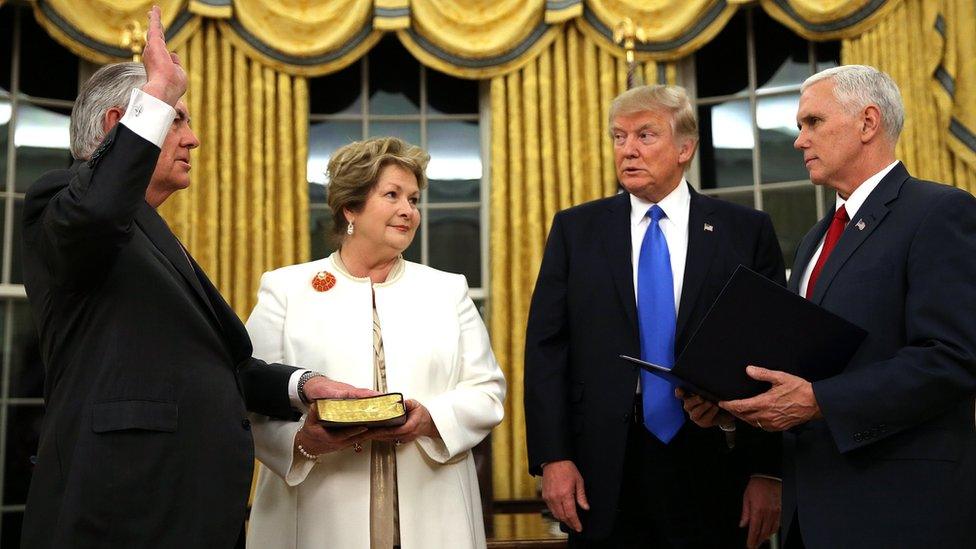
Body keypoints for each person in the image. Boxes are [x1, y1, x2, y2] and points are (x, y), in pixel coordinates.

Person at [20, 8, 368, 548]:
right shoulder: (59, 201)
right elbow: (96, 211)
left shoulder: (148, 231)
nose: (194, 138)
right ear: (120, 125)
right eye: (176, 119)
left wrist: (305, 387)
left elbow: (220, 368)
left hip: (188, 512)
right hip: (120, 512)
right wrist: (158, 89)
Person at [688, 65, 976, 548]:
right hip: (811, 511)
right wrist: (734, 407)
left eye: (813, 123)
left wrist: (821, 402)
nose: (799, 141)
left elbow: (955, 357)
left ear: (867, 123)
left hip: (902, 510)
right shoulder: (816, 239)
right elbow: (805, 369)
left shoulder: (939, 212)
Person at [524, 84, 785, 548]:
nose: (628, 150)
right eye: (618, 137)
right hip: (600, 462)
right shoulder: (576, 229)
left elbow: (772, 354)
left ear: (685, 148)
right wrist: (553, 458)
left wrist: (768, 470)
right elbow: (547, 349)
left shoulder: (745, 230)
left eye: (645, 136)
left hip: (715, 454)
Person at [243, 136, 506, 549]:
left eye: (414, 199)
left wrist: (431, 418)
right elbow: (249, 399)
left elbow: (487, 392)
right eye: (392, 195)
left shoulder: (447, 290)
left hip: (432, 507)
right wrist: (302, 442)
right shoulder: (287, 290)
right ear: (350, 207)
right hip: (317, 511)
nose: (408, 211)